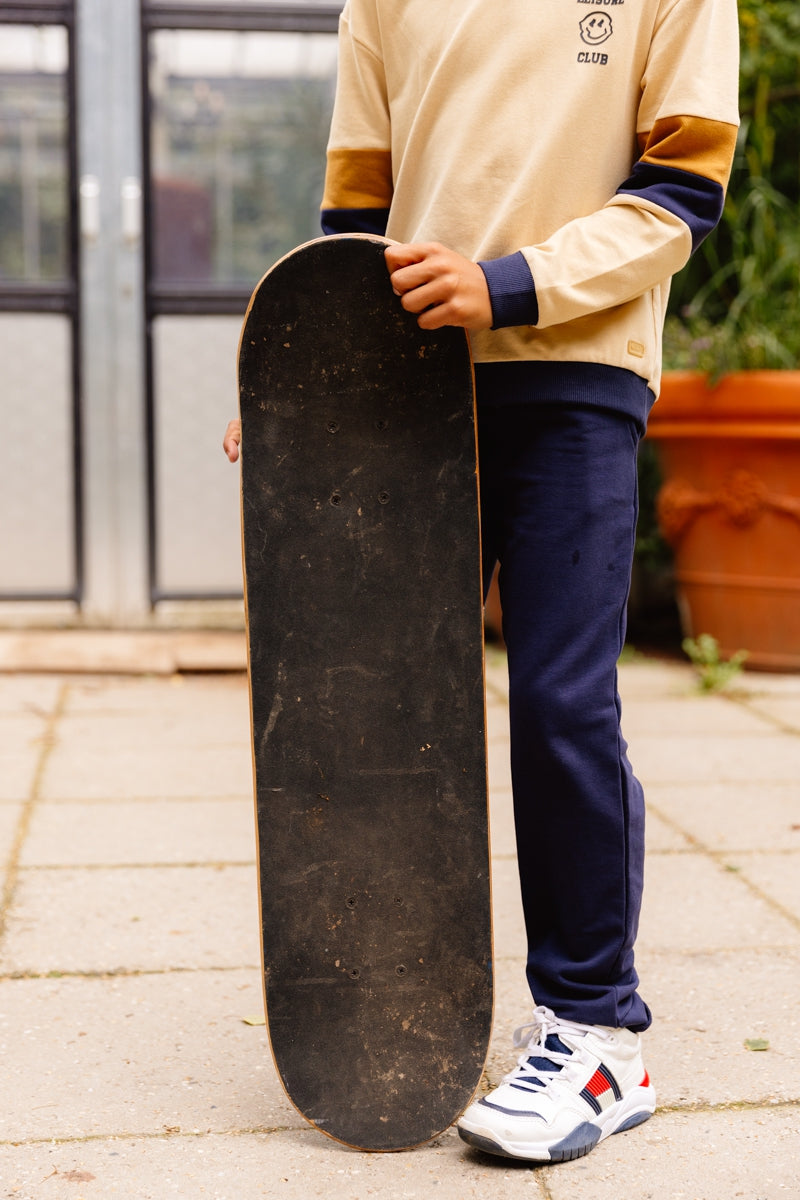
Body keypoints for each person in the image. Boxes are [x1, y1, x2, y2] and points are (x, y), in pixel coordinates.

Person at [225, 0, 739, 1164]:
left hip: (576, 374)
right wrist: (305, 381)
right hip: (408, 389)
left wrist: (504, 285)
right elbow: (354, 216)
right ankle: (388, 1003)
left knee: (561, 702)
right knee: (371, 709)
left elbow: (681, 198)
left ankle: (596, 1029)